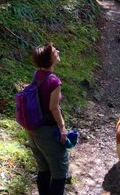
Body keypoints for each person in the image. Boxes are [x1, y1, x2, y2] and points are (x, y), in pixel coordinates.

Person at [27, 43, 69, 195]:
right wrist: (62, 128)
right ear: (50, 59)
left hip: (33, 131)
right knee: (59, 173)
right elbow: (54, 107)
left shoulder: (37, 75)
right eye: (54, 51)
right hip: (48, 133)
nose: (57, 51)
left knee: (43, 170)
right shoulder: (54, 82)